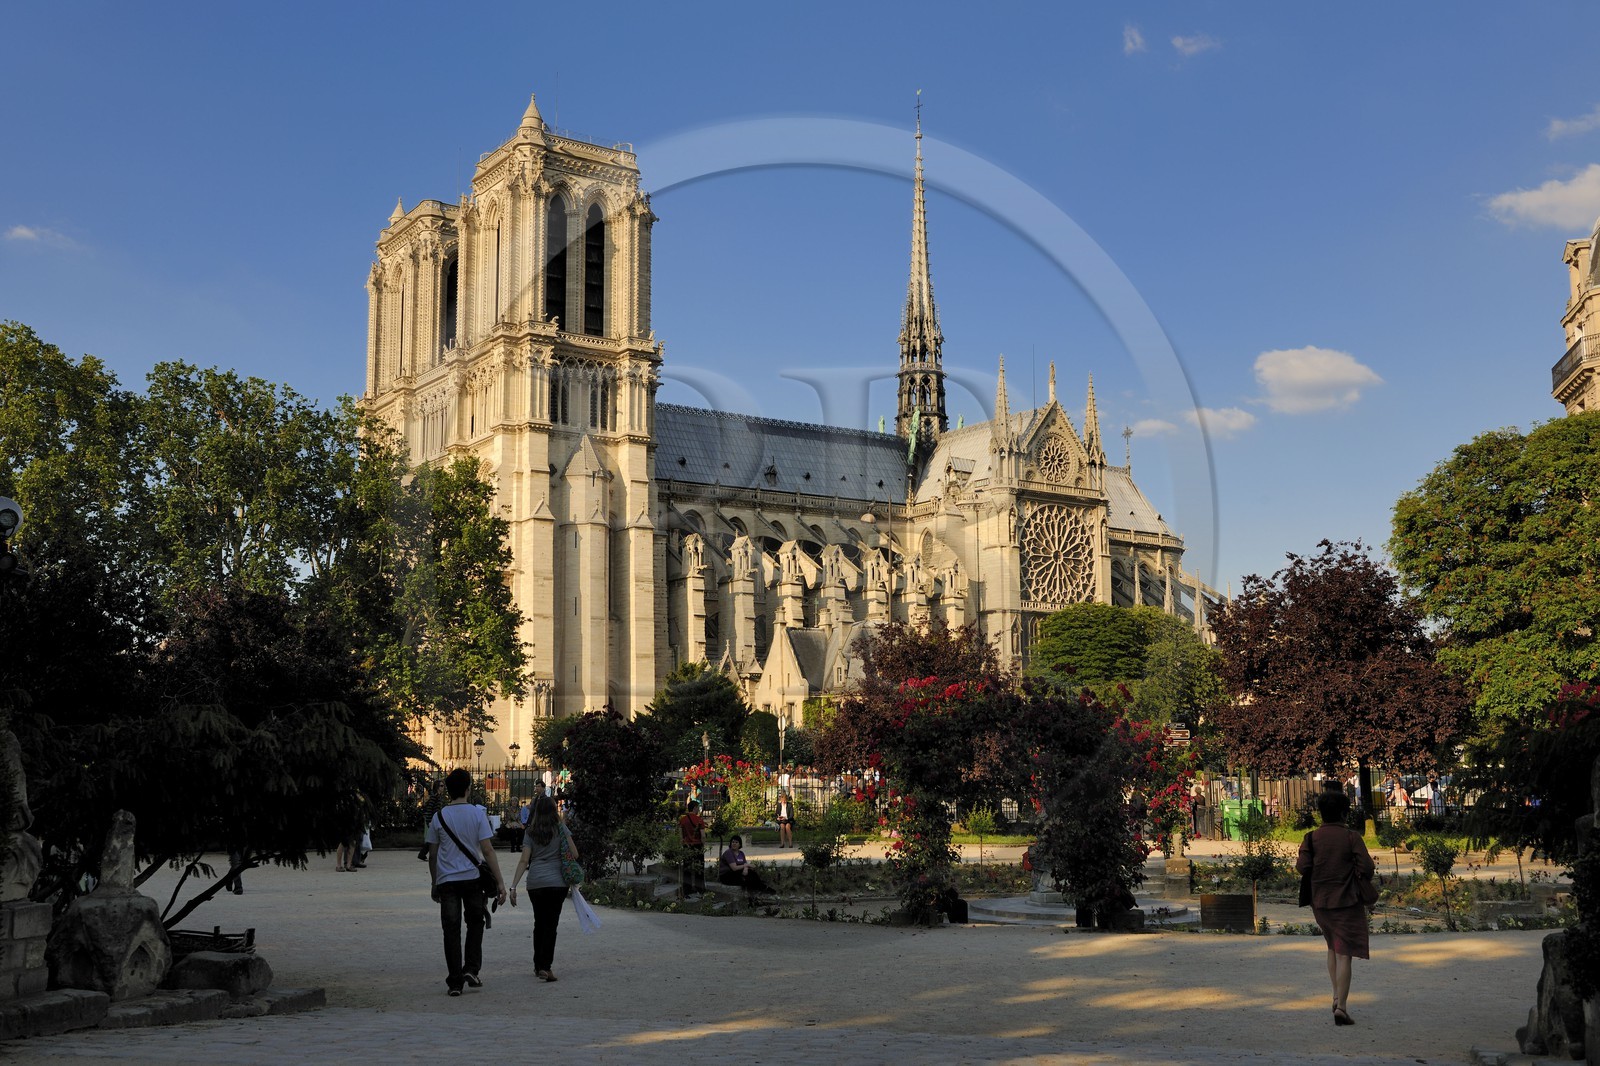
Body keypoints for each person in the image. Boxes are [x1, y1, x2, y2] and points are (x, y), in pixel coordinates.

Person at [1296, 787, 1376, 1026]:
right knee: (1344, 953)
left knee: (1332, 946)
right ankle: (1341, 1006)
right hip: (1346, 900)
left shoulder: (1311, 837)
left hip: (1320, 901)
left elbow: (1302, 866)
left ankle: (1335, 995)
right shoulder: (1351, 837)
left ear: (1321, 813)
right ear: (1344, 813)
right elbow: (1367, 867)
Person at [427, 767, 507, 996]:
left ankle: (454, 982)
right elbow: (487, 850)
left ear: (448, 791)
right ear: (468, 789)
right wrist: (500, 882)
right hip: (472, 878)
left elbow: (433, 854)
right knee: (475, 923)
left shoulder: (439, 816)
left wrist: (434, 882)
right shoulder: (476, 814)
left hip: (447, 880)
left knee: (451, 929)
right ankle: (471, 969)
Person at [508, 793, 574, 983]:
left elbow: (524, 860)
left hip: (536, 882)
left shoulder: (530, 832)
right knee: (551, 925)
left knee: (539, 923)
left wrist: (513, 886)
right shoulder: (560, 829)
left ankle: (538, 965)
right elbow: (574, 853)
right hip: (557, 882)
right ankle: (546, 966)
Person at [718, 835, 774, 901]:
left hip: (737, 873)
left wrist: (745, 868)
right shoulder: (729, 853)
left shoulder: (741, 853)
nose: (734, 844)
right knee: (748, 880)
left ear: (740, 844)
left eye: (736, 842)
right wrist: (746, 866)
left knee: (752, 874)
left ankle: (757, 895)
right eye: (733, 842)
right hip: (727, 875)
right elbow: (734, 868)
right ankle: (760, 892)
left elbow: (745, 864)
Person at [678, 800, 706, 898]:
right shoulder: (699, 820)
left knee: (687, 868)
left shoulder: (683, 820)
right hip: (697, 845)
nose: (698, 809)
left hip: (687, 845)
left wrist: (683, 844)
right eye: (698, 807)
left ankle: (687, 890)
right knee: (699, 869)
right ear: (694, 808)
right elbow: (703, 835)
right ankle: (700, 889)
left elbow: (680, 835)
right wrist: (703, 845)